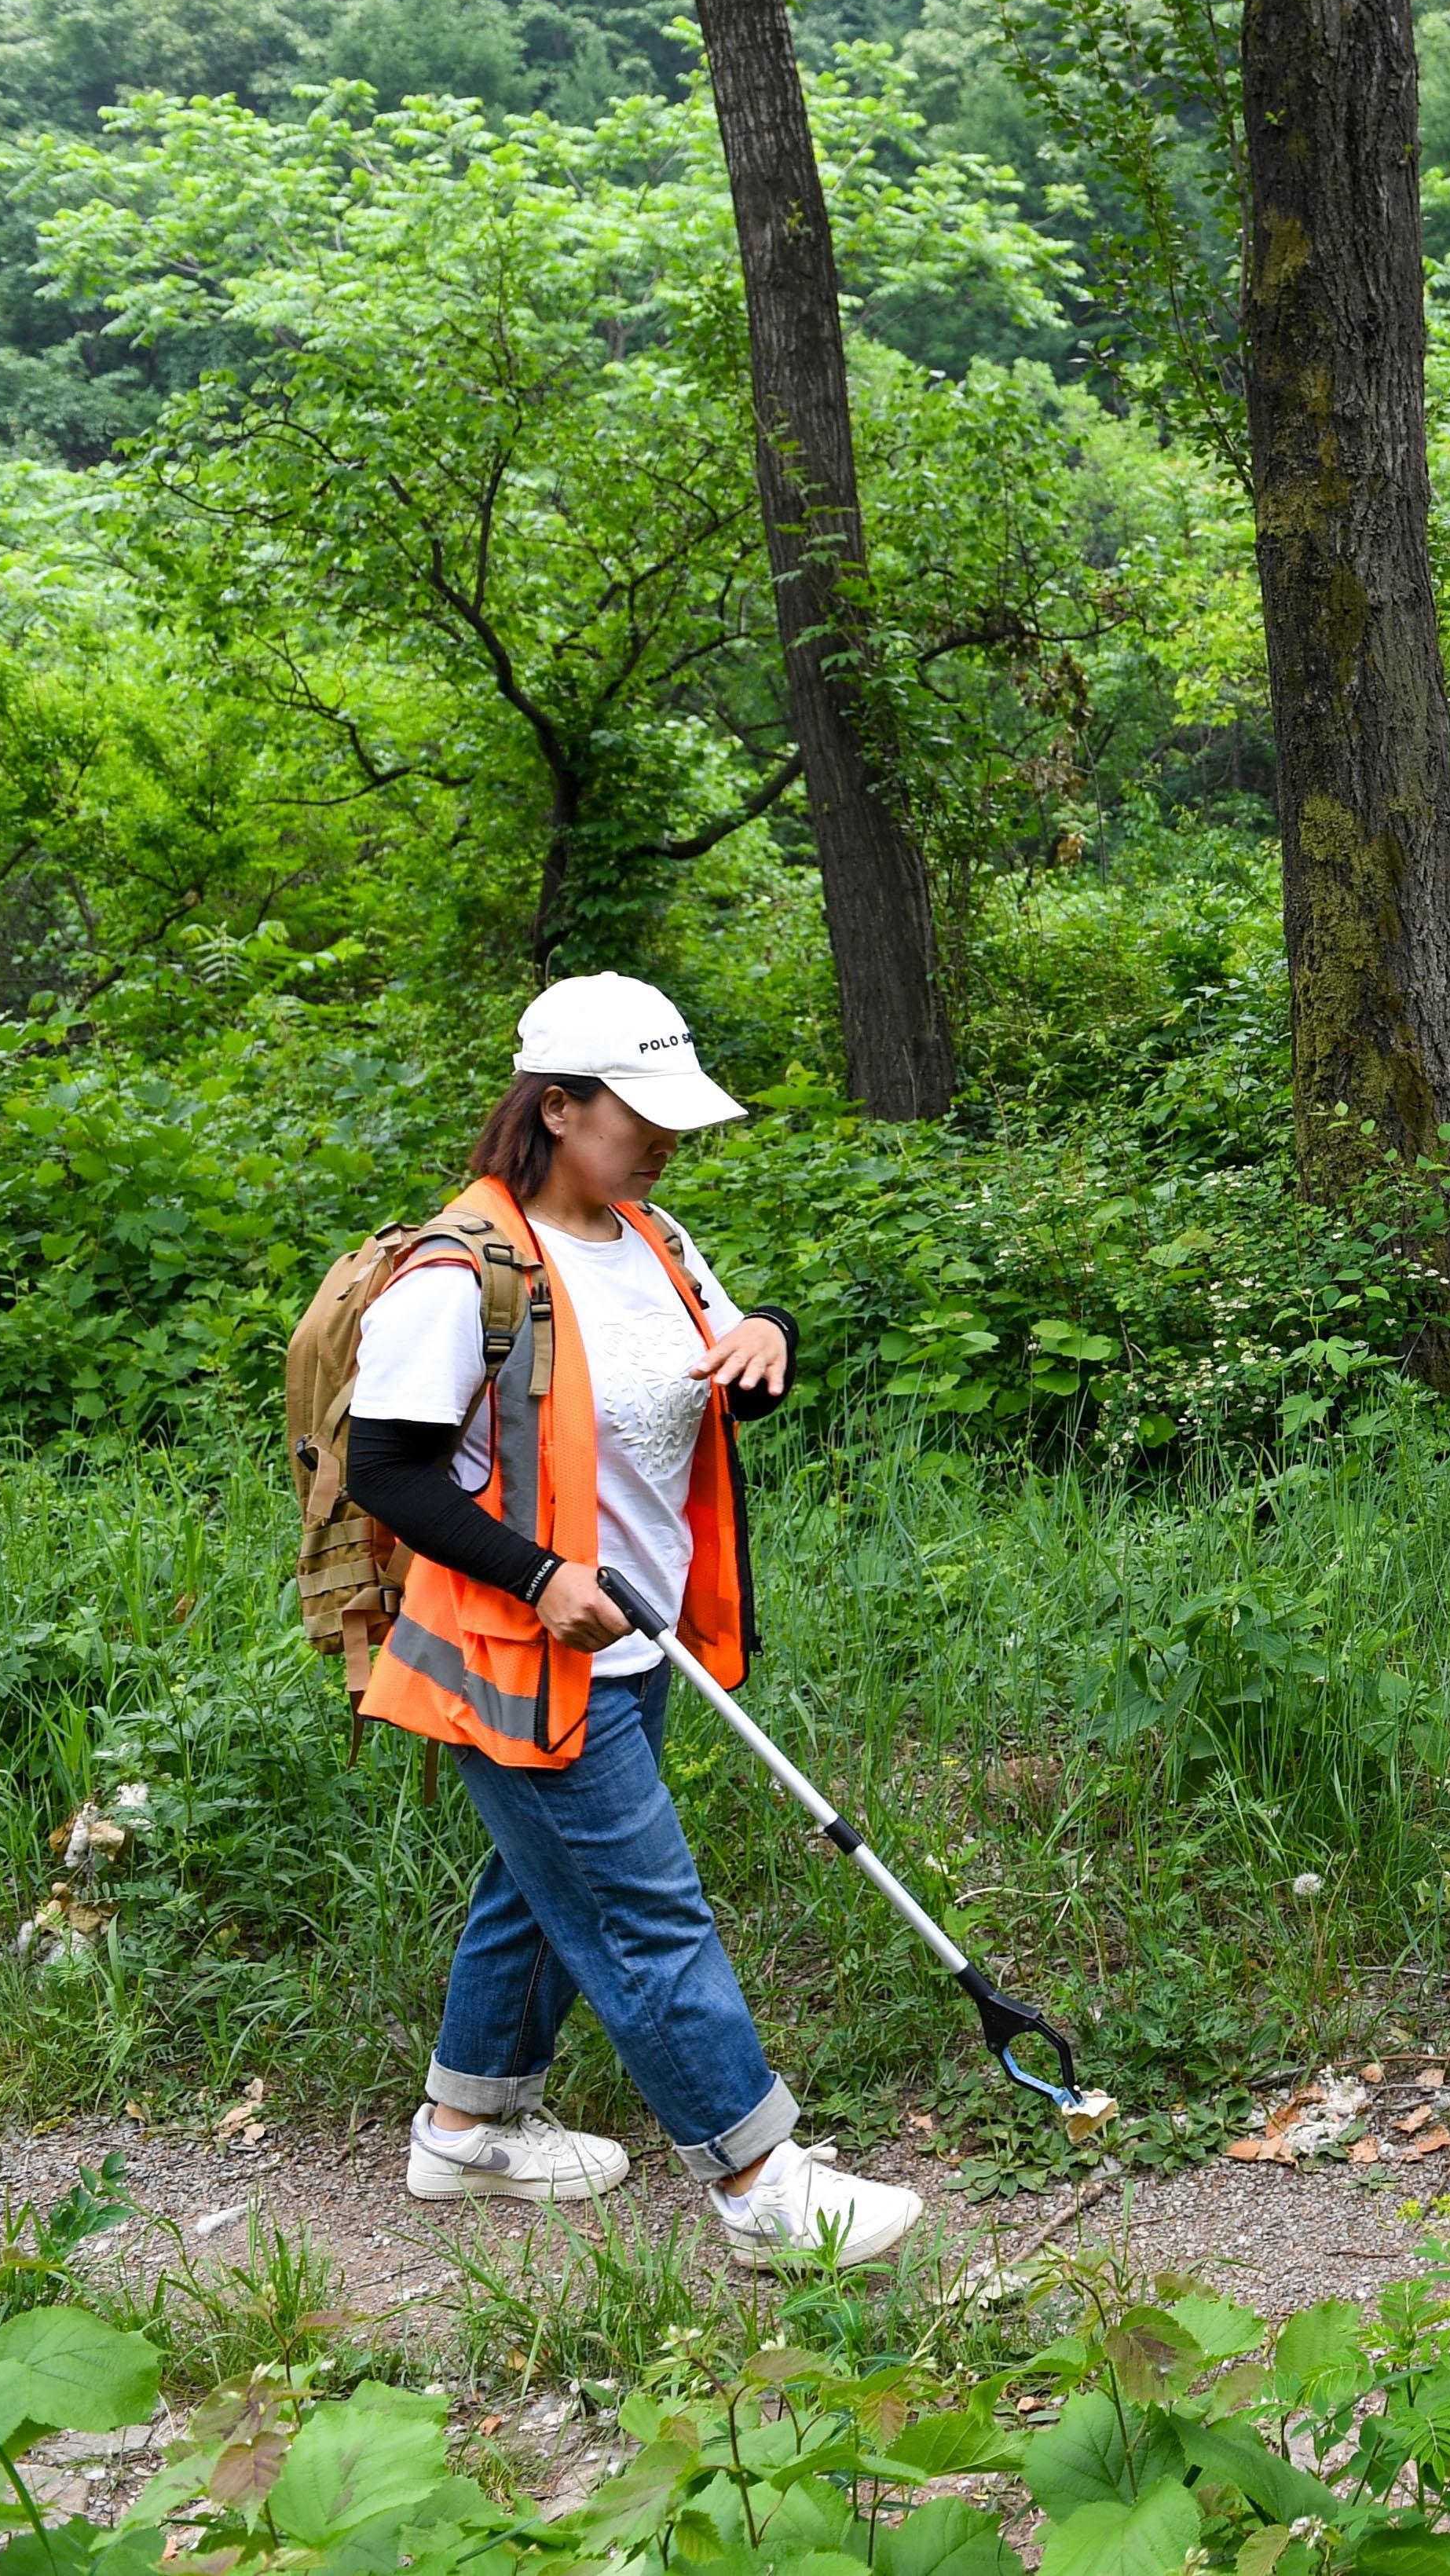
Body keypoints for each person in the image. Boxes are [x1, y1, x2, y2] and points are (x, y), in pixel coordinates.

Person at [344, 972, 921, 2268]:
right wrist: (541, 1573)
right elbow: (386, 1470)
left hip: (641, 1639)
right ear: (555, 1107)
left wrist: (765, 1335)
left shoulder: (650, 1236)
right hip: (521, 1650)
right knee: (640, 1911)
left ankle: (466, 2129)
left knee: (548, 1882)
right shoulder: (462, 1272)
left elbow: (713, 1379)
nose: (663, 1139)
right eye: (636, 1113)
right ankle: (762, 2185)